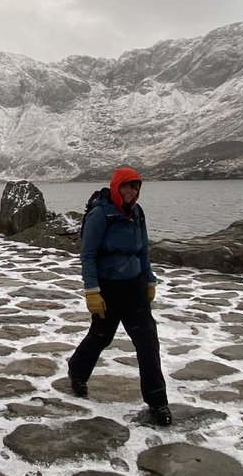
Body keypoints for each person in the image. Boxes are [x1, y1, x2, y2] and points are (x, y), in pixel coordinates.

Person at [67, 167, 172, 426]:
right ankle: (77, 371)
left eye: (135, 186)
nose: (130, 191)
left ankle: (158, 402)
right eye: (126, 186)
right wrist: (91, 291)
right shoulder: (100, 214)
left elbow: (143, 250)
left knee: (148, 342)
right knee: (101, 336)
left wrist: (149, 280)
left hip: (134, 287)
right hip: (107, 288)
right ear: (116, 186)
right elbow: (88, 254)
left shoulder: (137, 213)